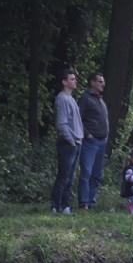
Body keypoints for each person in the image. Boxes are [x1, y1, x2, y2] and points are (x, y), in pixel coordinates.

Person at [50, 69, 84, 215]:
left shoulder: (71, 99)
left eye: (75, 79)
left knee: (70, 178)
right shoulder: (62, 99)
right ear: (64, 82)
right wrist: (71, 141)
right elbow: (61, 124)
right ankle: (55, 206)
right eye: (71, 79)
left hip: (76, 142)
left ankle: (65, 206)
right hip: (68, 144)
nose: (74, 81)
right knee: (63, 177)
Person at [77, 73, 109, 210]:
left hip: (102, 141)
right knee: (86, 172)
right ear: (92, 83)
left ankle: (91, 201)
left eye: (103, 82)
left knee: (97, 174)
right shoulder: (85, 99)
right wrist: (87, 134)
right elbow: (78, 118)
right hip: (90, 141)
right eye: (100, 82)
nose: (103, 84)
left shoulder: (100, 100)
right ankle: (83, 202)